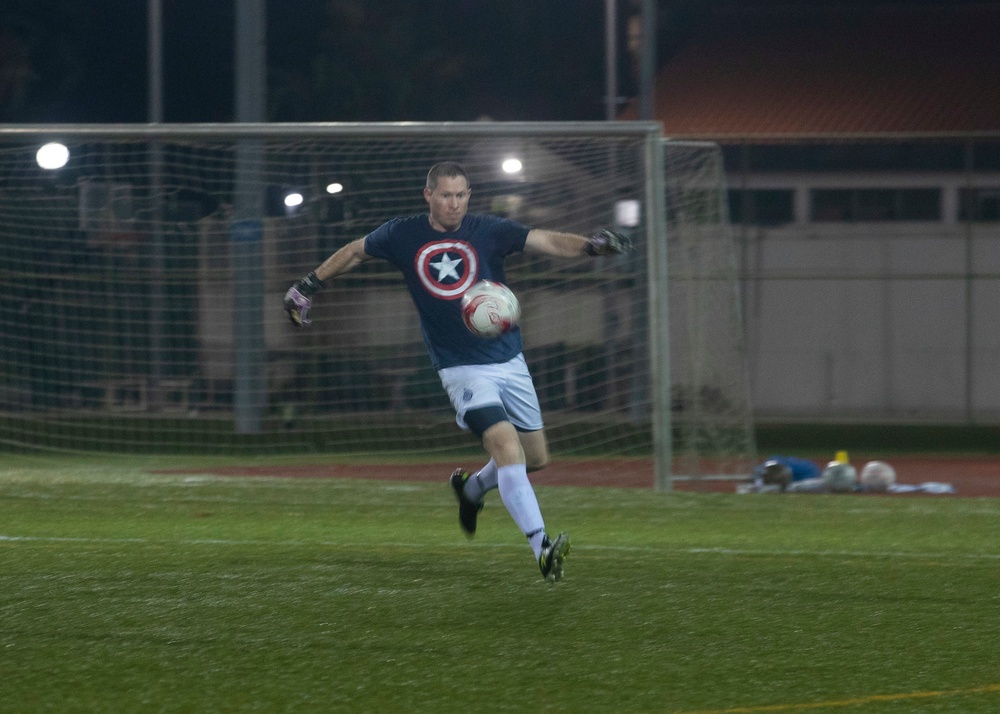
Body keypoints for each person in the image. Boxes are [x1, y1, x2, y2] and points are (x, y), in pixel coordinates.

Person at [284, 161, 631, 582]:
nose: (454, 204)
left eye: (461, 195)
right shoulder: (403, 234)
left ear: (469, 196)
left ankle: (471, 490)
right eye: (446, 195)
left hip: (510, 360)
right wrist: (307, 286)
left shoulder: (488, 230)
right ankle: (542, 548)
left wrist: (591, 246)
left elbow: (546, 241)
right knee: (507, 449)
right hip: (462, 368)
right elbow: (356, 251)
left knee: (536, 458)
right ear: (427, 195)